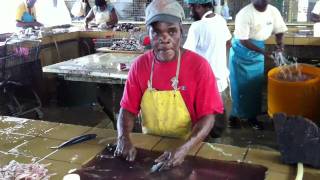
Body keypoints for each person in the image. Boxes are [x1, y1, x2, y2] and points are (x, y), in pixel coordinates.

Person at [114, 0, 223, 169]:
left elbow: (208, 117)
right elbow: (127, 109)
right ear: (148, 35)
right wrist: (123, 138)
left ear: (182, 31)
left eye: (171, 31)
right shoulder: (140, 65)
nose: (165, 39)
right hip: (151, 144)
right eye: (157, 33)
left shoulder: (199, 66)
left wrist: (184, 148)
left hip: (189, 146)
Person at [228, 0, 287, 130]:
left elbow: (280, 30)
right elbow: (243, 40)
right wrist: (263, 52)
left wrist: (280, 45)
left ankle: (251, 116)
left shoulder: (273, 11)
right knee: (240, 86)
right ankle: (234, 116)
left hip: (258, 49)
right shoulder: (245, 14)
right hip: (241, 51)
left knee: (254, 86)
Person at [183, 0, 231, 138]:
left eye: (191, 8)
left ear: (198, 7)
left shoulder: (197, 26)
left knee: (206, 118)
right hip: (221, 77)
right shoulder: (220, 20)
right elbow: (228, 42)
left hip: (206, 81)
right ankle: (216, 141)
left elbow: (187, 54)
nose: (190, 12)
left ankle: (205, 145)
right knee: (218, 113)